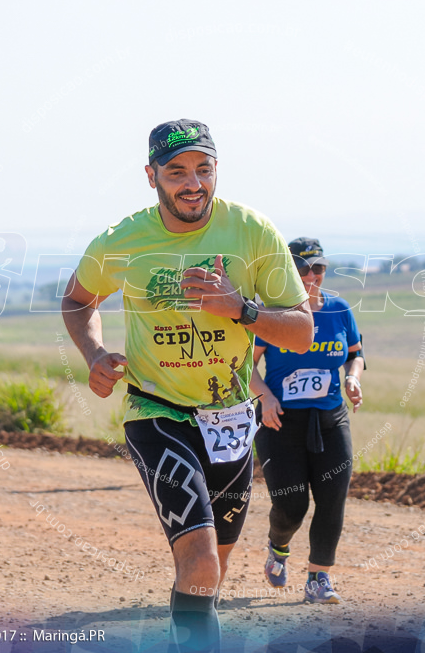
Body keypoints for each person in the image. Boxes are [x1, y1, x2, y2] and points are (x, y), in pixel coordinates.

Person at [62, 119, 314, 652]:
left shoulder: (252, 232)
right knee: (199, 560)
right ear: (151, 176)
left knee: (212, 569)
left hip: (228, 419)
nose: (192, 182)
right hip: (158, 413)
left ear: (217, 170)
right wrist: (94, 353)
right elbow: (78, 299)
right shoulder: (122, 240)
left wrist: (239, 308)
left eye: (203, 169)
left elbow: (300, 332)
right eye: (176, 172)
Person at [250, 237, 365, 604]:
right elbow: (241, 364)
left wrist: (353, 378)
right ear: (288, 271)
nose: (311, 275)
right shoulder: (272, 312)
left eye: (318, 268)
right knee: (291, 506)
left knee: (332, 499)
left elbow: (356, 354)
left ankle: (319, 578)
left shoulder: (338, 309)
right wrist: (265, 396)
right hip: (279, 421)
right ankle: (278, 545)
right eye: (302, 268)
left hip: (330, 420)